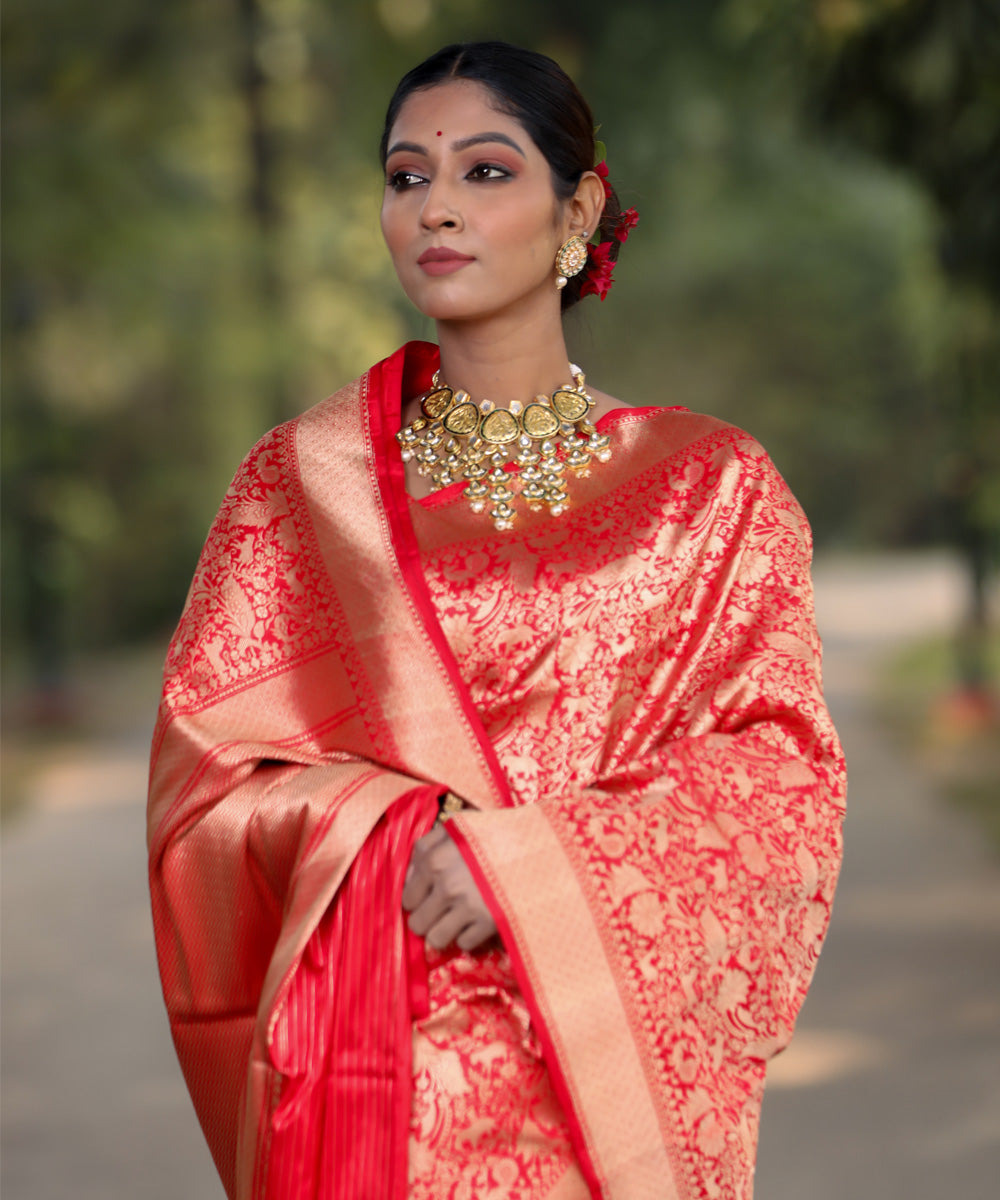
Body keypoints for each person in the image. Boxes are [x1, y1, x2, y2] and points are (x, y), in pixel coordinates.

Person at [147, 41, 845, 1200]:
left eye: (483, 171)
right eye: (405, 176)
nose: (434, 207)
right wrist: (387, 833)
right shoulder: (300, 488)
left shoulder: (707, 492)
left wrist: (527, 868)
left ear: (578, 210)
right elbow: (208, 797)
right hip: (375, 1088)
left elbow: (775, 784)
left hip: (600, 1098)